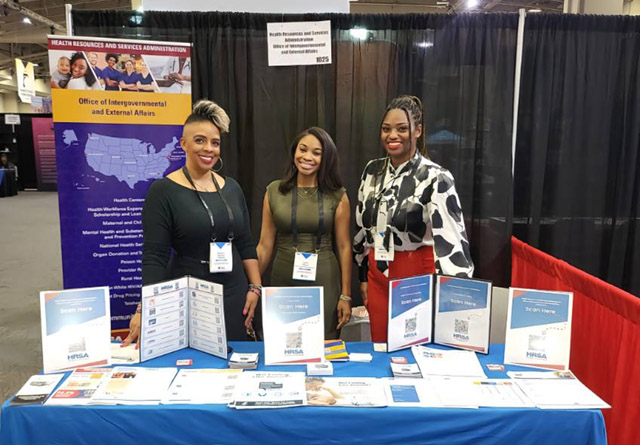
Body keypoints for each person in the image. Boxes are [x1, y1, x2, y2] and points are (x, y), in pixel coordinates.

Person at [123, 100, 261, 345]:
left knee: (236, 364)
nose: (209, 149)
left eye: (215, 142)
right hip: (189, 292)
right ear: (183, 144)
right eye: (200, 140)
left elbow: (245, 242)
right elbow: (154, 256)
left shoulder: (232, 188)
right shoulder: (163, 191)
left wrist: (255, 288)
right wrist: (144, 309)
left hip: (234, 290)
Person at [353, 95, 474, 343]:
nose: (392, 135)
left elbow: (453, 243)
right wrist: (363, 275)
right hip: (379, 275)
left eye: (402, 128)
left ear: (418, 131)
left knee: (411, 350)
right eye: (386, 129)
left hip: (415, 276)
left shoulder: (435, 177)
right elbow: (362, 230)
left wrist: (459, 303)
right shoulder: (372, 171)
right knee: (381, 346)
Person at [257, 127, 352, 339]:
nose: (307, 157)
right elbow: (264, 245)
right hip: (283, 277)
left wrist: (346, 295)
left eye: (316, 153)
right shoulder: (274, 191)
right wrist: (252, 284)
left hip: (324, 279)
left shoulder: (338, 196)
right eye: (303, 149)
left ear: (325, 158)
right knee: (283, 344)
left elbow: (345, 247)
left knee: (321, 345)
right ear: (294, 153)